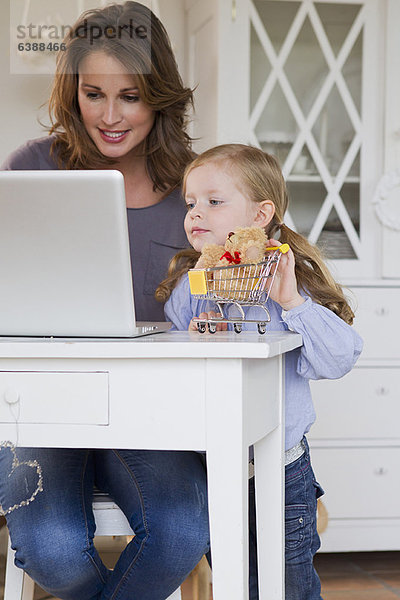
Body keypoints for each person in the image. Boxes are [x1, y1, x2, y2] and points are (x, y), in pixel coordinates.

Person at [0, 3, 210, 599]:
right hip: (41, 404)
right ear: (73, 93)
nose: (111, 117)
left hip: (152, 406)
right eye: (94, 94)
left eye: (132, 97)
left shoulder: (199, 188)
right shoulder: (29, 169)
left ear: (160, 97)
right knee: (50, 547)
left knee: (180, 530)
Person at [157, 143, 363, 600]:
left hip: (282, 471)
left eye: (214, 202)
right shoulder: (194, 284)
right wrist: (192, 331)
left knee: (288, 585)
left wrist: (292, 302)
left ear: (260, 214)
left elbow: (341, 357)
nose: (196, 214)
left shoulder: (291, 280)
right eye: (191, 203)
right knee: (237, 582)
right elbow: (176, 354)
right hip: (214, 469)